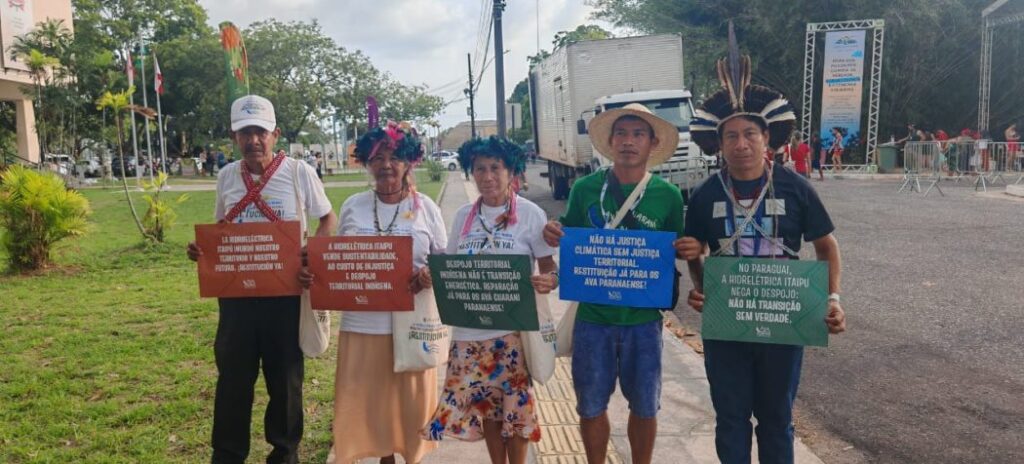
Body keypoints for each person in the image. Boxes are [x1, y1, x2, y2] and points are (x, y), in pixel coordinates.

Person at [681, 49, 846, 464]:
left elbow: (826, 246)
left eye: (750, 135)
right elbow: (695, 250)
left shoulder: (796, 188)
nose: (741, 144)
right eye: (731, 136)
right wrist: (700, 287)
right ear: (718, 144)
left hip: (784, 323)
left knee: (775, 418)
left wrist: (832, 300)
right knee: (731, 418)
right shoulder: (705, 194)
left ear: (766, 138)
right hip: (726, 327)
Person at [186, 94, 338, 463]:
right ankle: (227, 455)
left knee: (285, 383)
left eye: (260, 132)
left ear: (275, 134)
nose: (253, 140)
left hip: (285, 297)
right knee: (233, 381)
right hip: (236, 299)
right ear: (234, 136)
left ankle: (285, 455)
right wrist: (203, 250)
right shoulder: (226, 176)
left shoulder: (299, 172)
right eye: (245, 132)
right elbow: (223, 228)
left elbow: (328, 219)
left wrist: (311, 254)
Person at [541, 103, 686, 464]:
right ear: (610, 141)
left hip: (643, 322)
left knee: (646, 406)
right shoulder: (586, 188)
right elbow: (570, 239)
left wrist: (691, 247)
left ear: (652, 143)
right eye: (621, 133)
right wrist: (553, 233)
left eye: (638, 134)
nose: (628, 141)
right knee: (590, 406)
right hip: (593, 320)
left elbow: (679, 248)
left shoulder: (668, 195)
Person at [421, 136, 556, 464]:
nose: (487, 175)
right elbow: (449, 265)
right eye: (479, 168)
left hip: (512, 334)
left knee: (516, 413)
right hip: (470, 334)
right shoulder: (465, 216)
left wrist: (548, 281)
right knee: (489, 411)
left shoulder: (530, 214)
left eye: (495, 167)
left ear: (511, 171)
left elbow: (550, 268)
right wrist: (431, 274)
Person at [321, 121, 446, 464]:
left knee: (411, 411)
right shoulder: (352, 206)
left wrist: (428, 275)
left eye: (393, 157)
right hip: (363, 326)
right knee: (370, 406)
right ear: (366, 163)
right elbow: (335, 262)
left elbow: (444, 263)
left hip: (412, 325)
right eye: (376, 158)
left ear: (409, 162)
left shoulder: (427, 209)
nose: (386, 165)